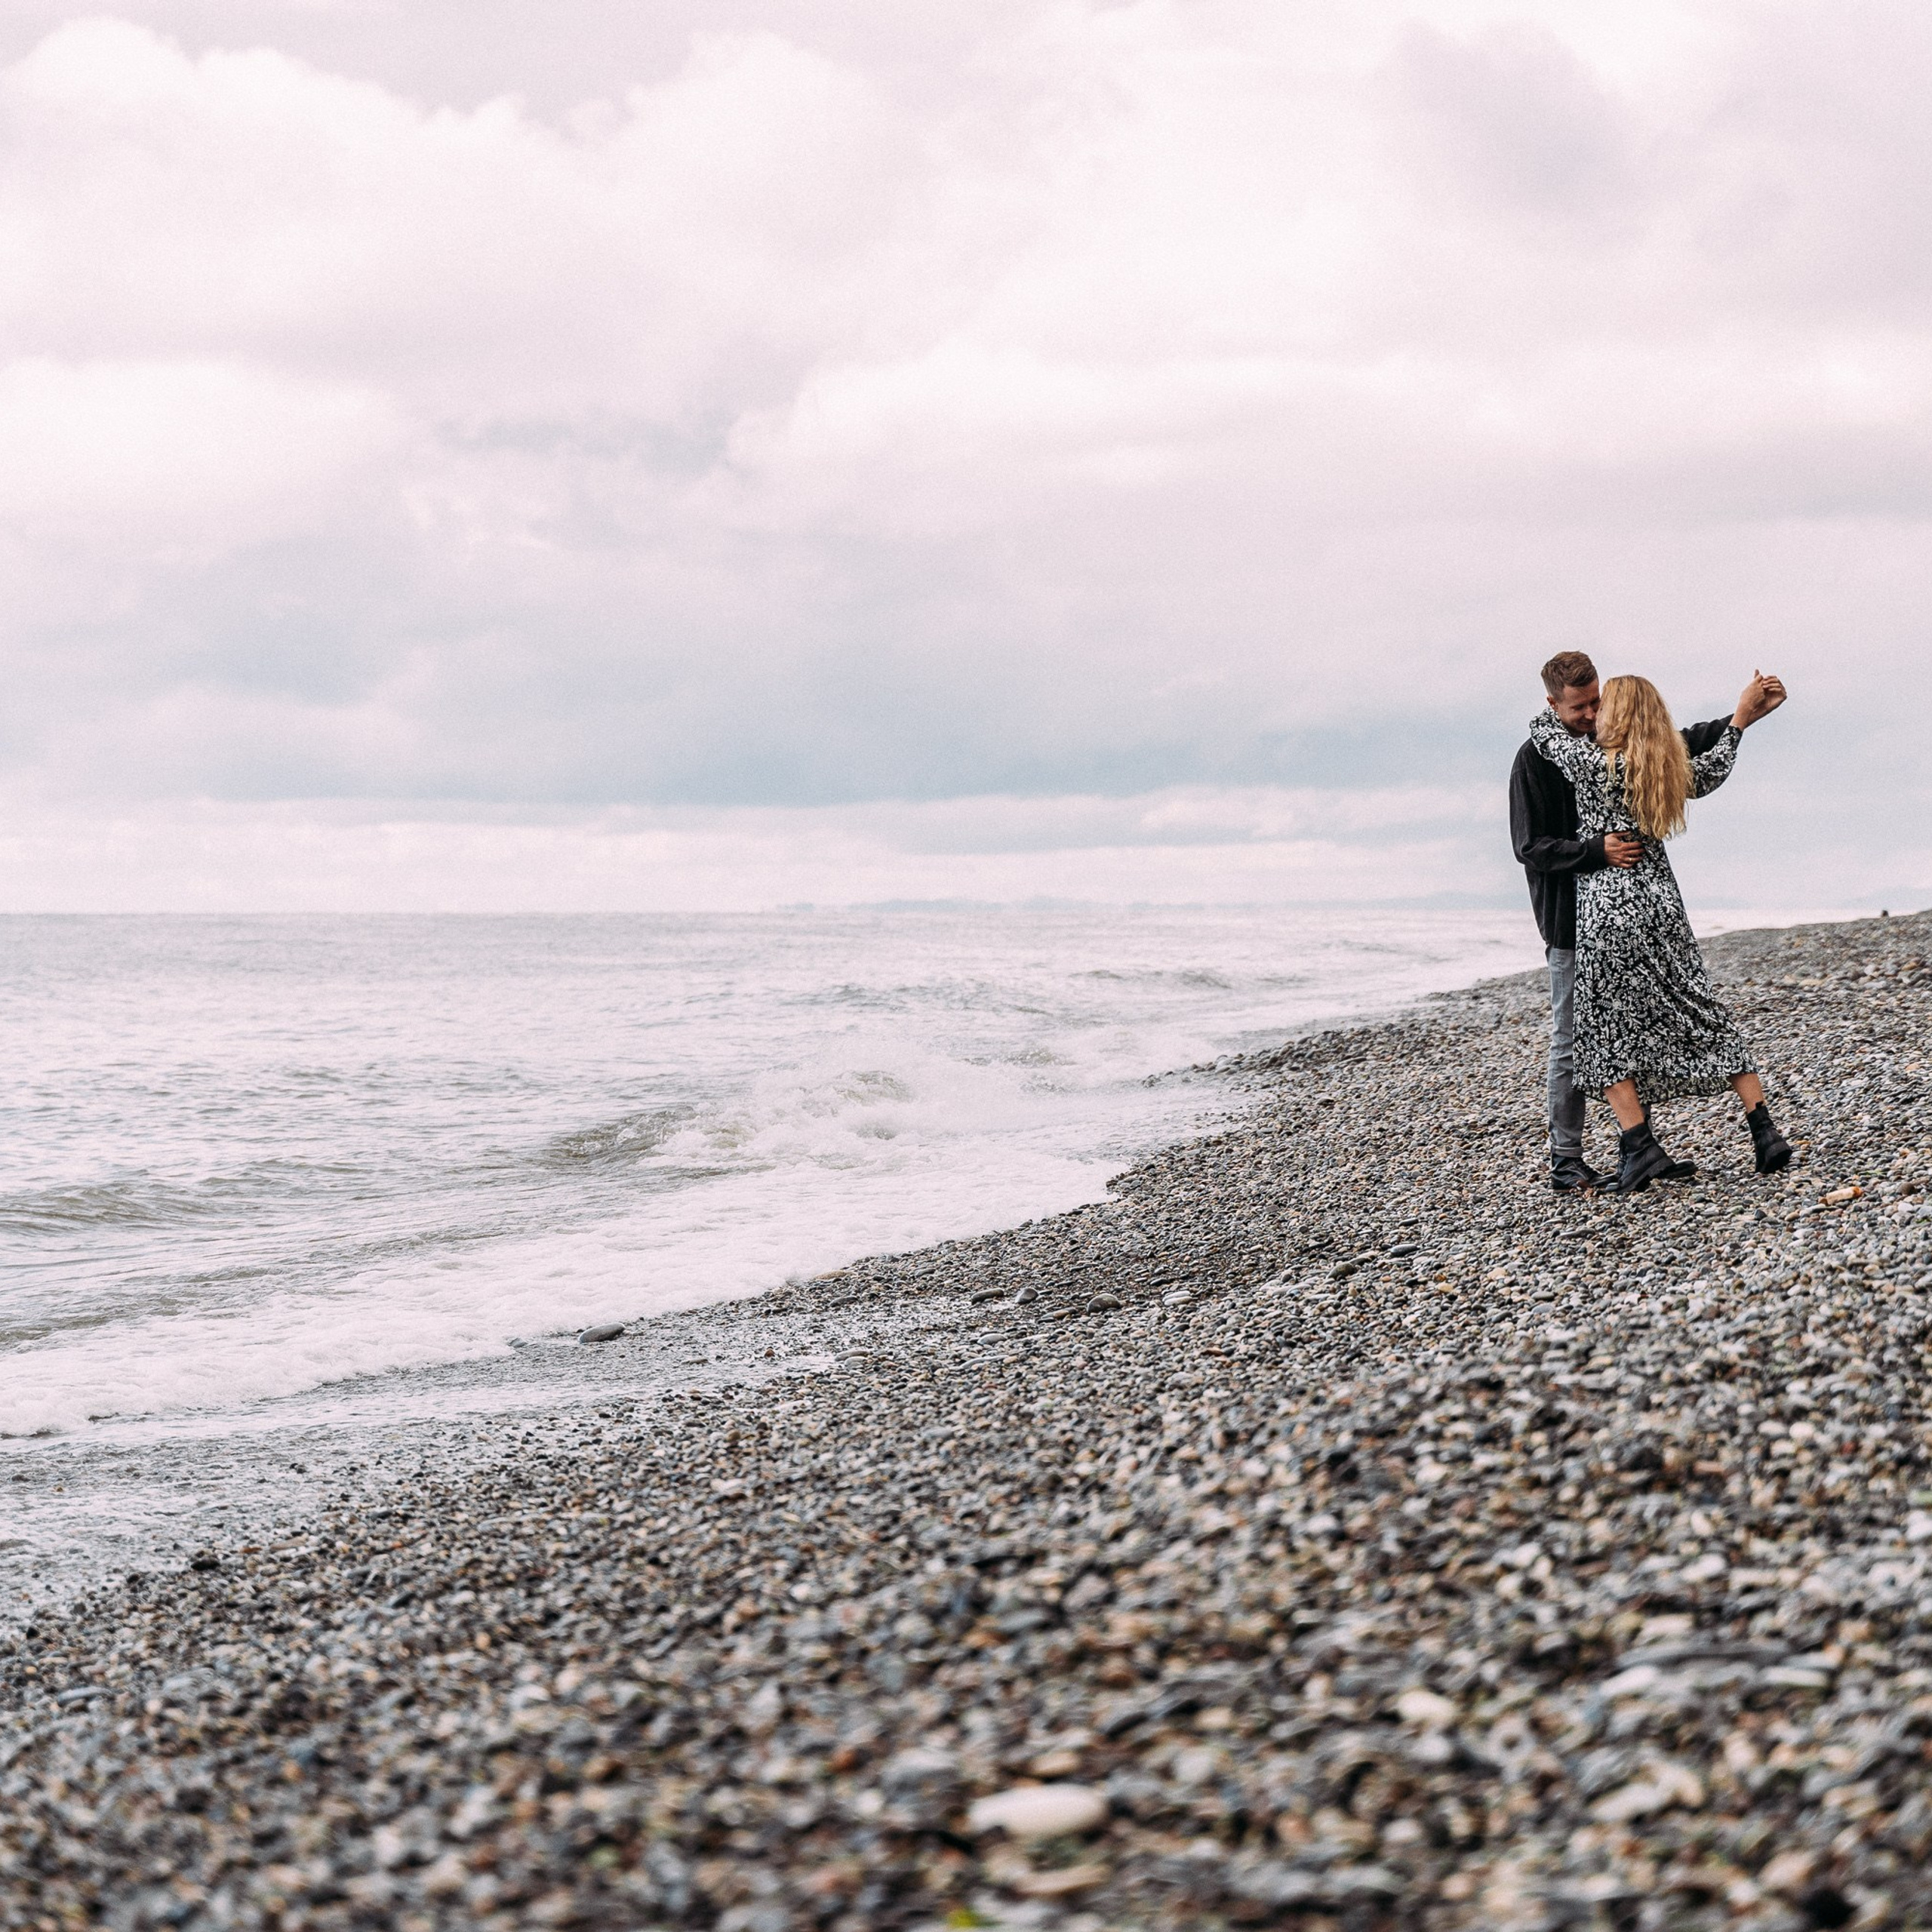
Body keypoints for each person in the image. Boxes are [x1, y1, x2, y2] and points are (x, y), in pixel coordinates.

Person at [1525, 670, 1793, 1194]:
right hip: (1665, 908)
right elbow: (1713, 766)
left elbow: (1545, 734)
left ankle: (1639, 1147)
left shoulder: (1597, 765)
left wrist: (1553, 703)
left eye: (1602, 707)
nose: (1594, 715)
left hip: (1608, 911)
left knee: (1600, 1032)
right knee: (1700, 1011)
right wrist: (1741, 718)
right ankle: (1764, 1129)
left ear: (1618, 716)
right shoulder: (1666, 768)